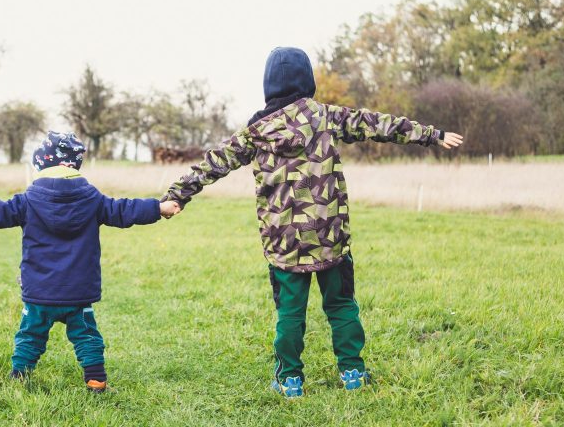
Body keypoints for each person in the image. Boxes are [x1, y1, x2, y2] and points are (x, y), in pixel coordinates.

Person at [160, 47, 464, 398]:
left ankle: (290, 379)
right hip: (330, 236)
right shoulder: (325, 116)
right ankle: (352, 372)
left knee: (290, 313)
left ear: (269, 86)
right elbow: (376, 124)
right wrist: (432, 134)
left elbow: (213, 163)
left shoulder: (256, 132)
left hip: (285, 243)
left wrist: (177, 195)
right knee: (341, 305)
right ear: (308, 81)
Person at [0, 131, 179, 393]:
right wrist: (158, 208)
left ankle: (18, 377)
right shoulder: (93, 200)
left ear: (40, 165)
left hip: (39, 292)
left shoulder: (28, 200)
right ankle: (96, 381)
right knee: (87, 337)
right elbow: (124, 210)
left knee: (30, 335)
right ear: (75, 166)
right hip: (78, 292)